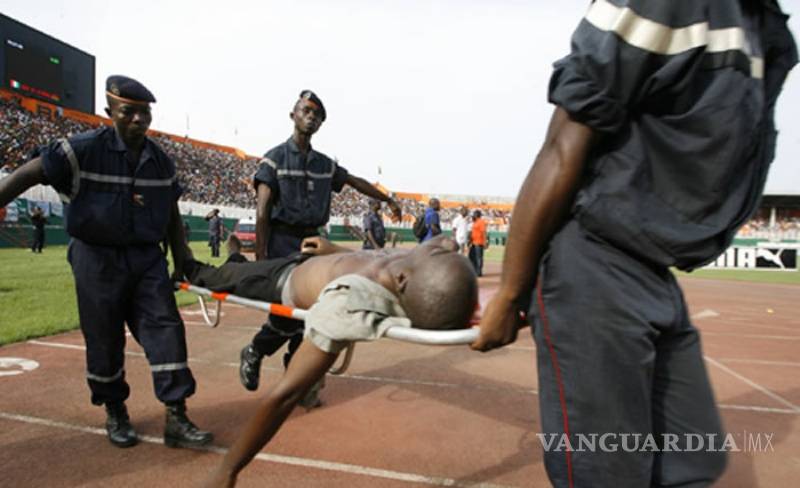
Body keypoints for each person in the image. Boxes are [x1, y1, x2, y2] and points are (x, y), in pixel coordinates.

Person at [473, 2, 797, 487]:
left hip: (656, 272)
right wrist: (512, 292)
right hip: (597, 263)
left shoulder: (761, 24)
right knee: (608, 473)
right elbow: (564, 142)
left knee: (695, 459)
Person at [0, 75, 213, 450]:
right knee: (104, 339)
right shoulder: (77, 150)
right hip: (95, 258)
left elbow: (171, 213)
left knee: (166, 331)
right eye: (128, 112)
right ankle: (116, 411)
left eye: (144, 114)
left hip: (146, 259)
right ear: (109, 111)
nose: (138, 120)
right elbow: (26, 175)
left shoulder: (161, 162)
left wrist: (182, 257)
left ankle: (176, 416)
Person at [184, 235, 477, 488]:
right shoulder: (414, 269)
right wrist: (335, 248)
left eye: (438, 252)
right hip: (310, 259)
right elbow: (445, 242)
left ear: (402, 281)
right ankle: (235, 257)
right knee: (237, 269)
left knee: (207, 275)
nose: (444, 245)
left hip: (277, 280)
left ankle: (210, 258)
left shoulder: (348, 303)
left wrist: (228, 469)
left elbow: (285, 395)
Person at [241, 90, 403, 398]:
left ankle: (297, 377)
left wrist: (388, 198)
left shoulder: (324, 165)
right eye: (306, 111)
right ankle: (255, 351)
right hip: (281, 240)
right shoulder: (274, 159)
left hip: (313, 241)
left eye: (317, 115)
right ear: (293, 115)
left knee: (314, 310)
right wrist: (261, 257)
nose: (311, 117)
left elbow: (355, 181)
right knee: (288, 309)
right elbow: (262, 208)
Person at [468, 209, 488, 277]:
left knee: (478, 257)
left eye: (474, 214)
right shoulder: (475, 222)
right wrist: (470, 241)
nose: (472, 216)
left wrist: (485, 242)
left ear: (477, 215)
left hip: (479, 242)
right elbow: (473, 233)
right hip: (474, 242)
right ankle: (474, 270)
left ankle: (479, 272)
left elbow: (484, 232)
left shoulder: (481, 222)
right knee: (471, 256)